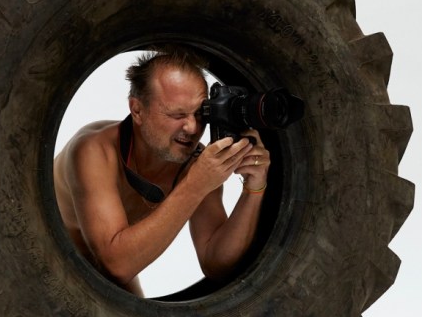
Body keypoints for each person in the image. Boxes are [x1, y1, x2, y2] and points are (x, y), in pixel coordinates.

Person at [53, 47, 270, 297]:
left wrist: (254, 188)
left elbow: (215, 264)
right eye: (176, 114)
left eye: (200, 114)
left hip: (115, 264)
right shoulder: (93, 151)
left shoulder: (196, 163)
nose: (191, 127)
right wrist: (196, 184)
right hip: (46, 253)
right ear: (137, 110)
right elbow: (117, 265)